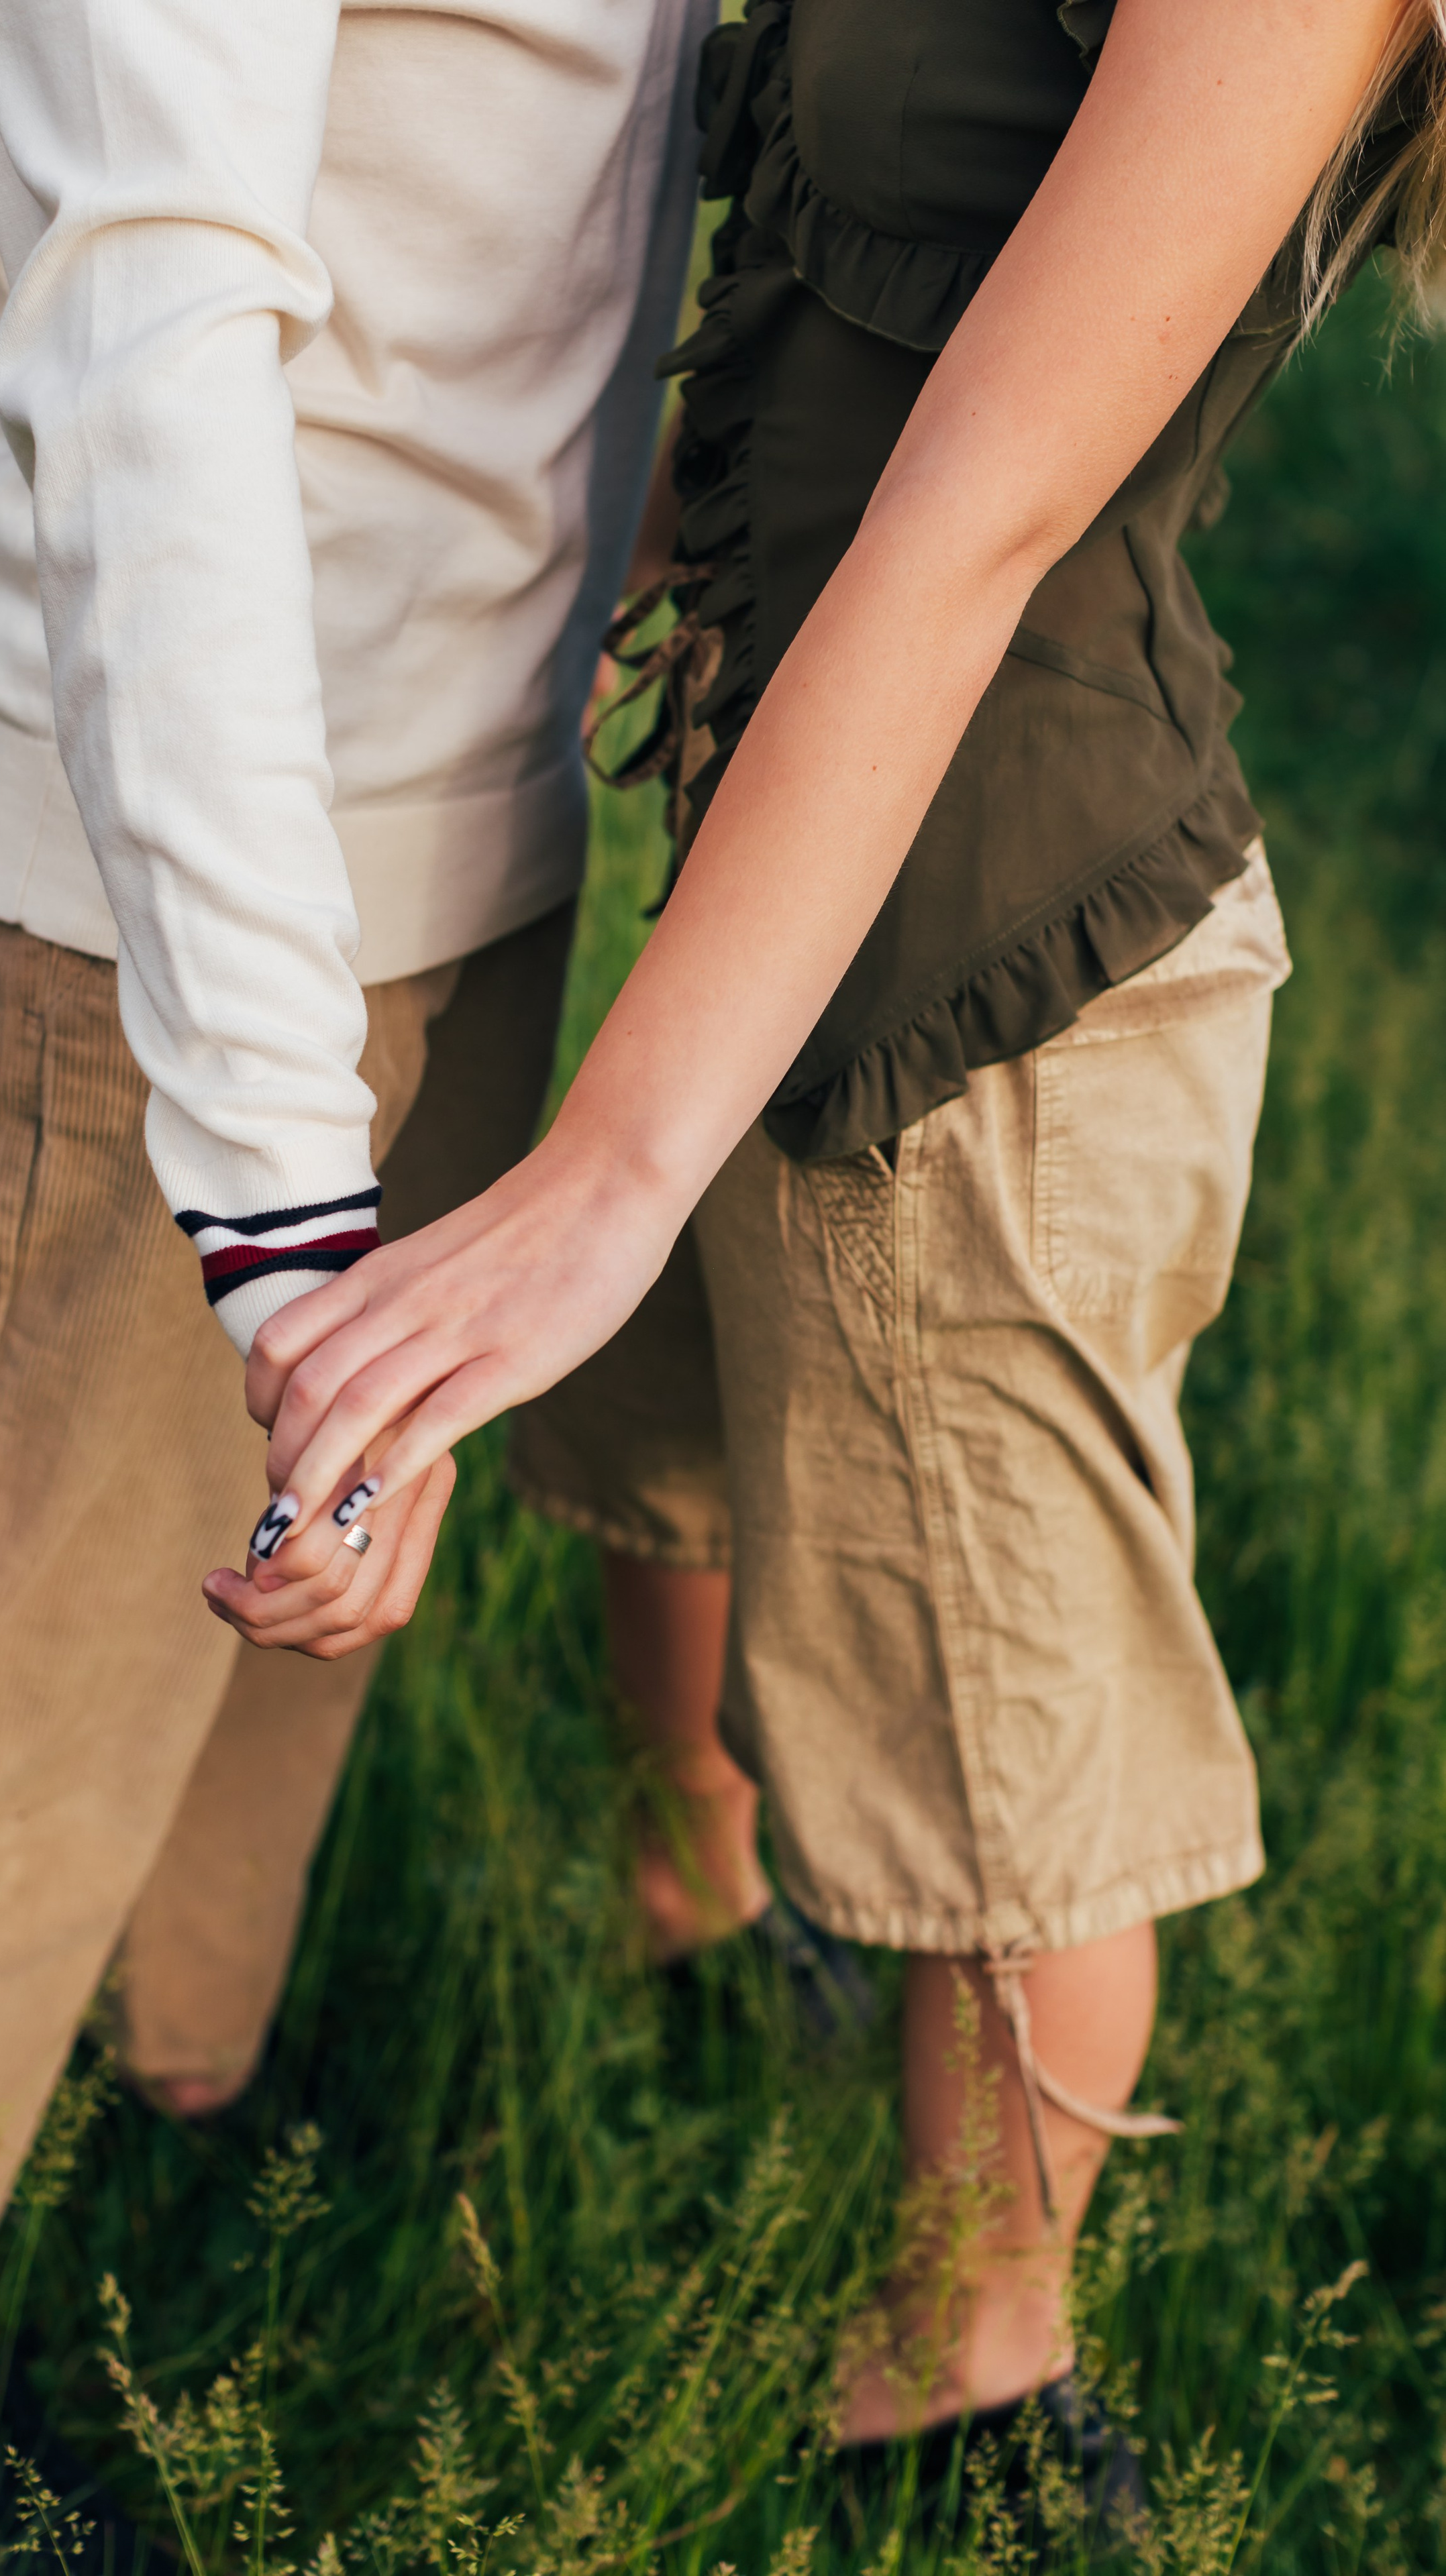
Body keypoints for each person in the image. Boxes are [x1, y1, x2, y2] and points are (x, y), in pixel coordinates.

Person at [229, 0, 1443, 2503]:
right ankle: (698, 1921)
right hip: (773, 857)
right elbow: (792, 326)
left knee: (1009, 1755)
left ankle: (971, 2383)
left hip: (994, 972)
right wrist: (550, 610)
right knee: (677, 1460)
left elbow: (971, 519)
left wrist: (602, 1172)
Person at [0, 0, 745, 2392]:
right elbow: (147, 348)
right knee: (10, 1641)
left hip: (466, 786)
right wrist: (285, 1197)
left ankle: (164, 2091)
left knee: (271, 1593)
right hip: (149, 866)